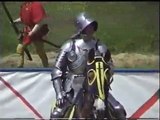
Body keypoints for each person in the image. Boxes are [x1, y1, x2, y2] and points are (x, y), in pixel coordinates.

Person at [50, 12, 126, 119]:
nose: (90, 29)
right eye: (87, 26)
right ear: (81, 27)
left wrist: (103, 80)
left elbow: (109, 66)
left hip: (96, 85)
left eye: (92, 26)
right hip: (73, 85)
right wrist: (59, 93)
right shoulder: (69, 46)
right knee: (57, 114)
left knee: (118, 110)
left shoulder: (99, 46)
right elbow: (57, 71)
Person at [13, 2, 49, 68]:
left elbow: (40, 22)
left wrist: (33, 32)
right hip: (28, 31)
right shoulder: (24, 5)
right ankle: (19, 67)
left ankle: (46, 67)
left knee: (40, 50)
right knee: (20, 48)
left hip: (38, 32)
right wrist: (14, 22)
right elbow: (22, 19)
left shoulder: (36, 5)